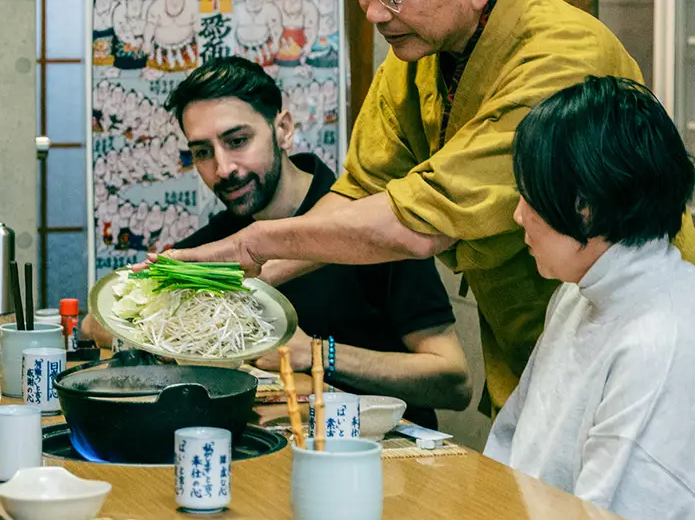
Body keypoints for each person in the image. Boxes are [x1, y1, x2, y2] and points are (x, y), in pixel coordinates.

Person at [169, 0, 695, 414]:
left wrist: (255, 243)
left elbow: (418, 222)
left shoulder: (560, 57)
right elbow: (363, 189)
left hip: (636, 337)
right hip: (536, 344)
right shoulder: (417, 50)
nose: (371, 12)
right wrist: (238, 288)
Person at [485, 76, 695, 520]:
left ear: (585, 207)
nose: (517, 213)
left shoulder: (663, 336)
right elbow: (508, 452)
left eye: (530, 196)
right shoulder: (578, 294)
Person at [86, 57, 471, 425]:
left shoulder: (370, 225)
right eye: (202, 152)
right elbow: (96, 324)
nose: (223, 169)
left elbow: (454, 381)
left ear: (283, 129)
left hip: (386, 456)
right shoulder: (220, 240)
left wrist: (317, 354)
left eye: (237, 140)